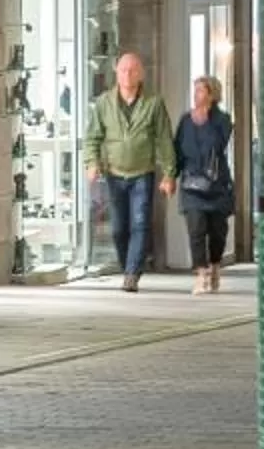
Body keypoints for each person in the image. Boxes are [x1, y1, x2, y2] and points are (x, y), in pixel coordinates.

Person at [85, 51, 176, 291]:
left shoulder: (153, 102)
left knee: (140, 223)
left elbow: (164, 139)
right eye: (123, 70)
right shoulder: (104, 103)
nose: (127, 74)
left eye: (133, 70)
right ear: (116, 73)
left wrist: (169, 173)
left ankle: (132, 273)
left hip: (142, 173)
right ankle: (129, 266)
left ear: (141, 74)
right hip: (114, 174)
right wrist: (92, 163)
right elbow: (93, 137)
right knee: (118, 228)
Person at [174, 76, 236, 294]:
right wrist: (170, 177)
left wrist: (206, 118)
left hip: (216, 185)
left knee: (218, 232)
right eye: (195, 90)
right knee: (196, 229)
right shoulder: (185, 121)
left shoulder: (222, 120)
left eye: (201, 91)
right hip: (192, 185)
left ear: (211, 95)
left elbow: (217, 145)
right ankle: (201, 274)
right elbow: (178, 151)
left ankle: (215, 265)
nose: (196, 94)